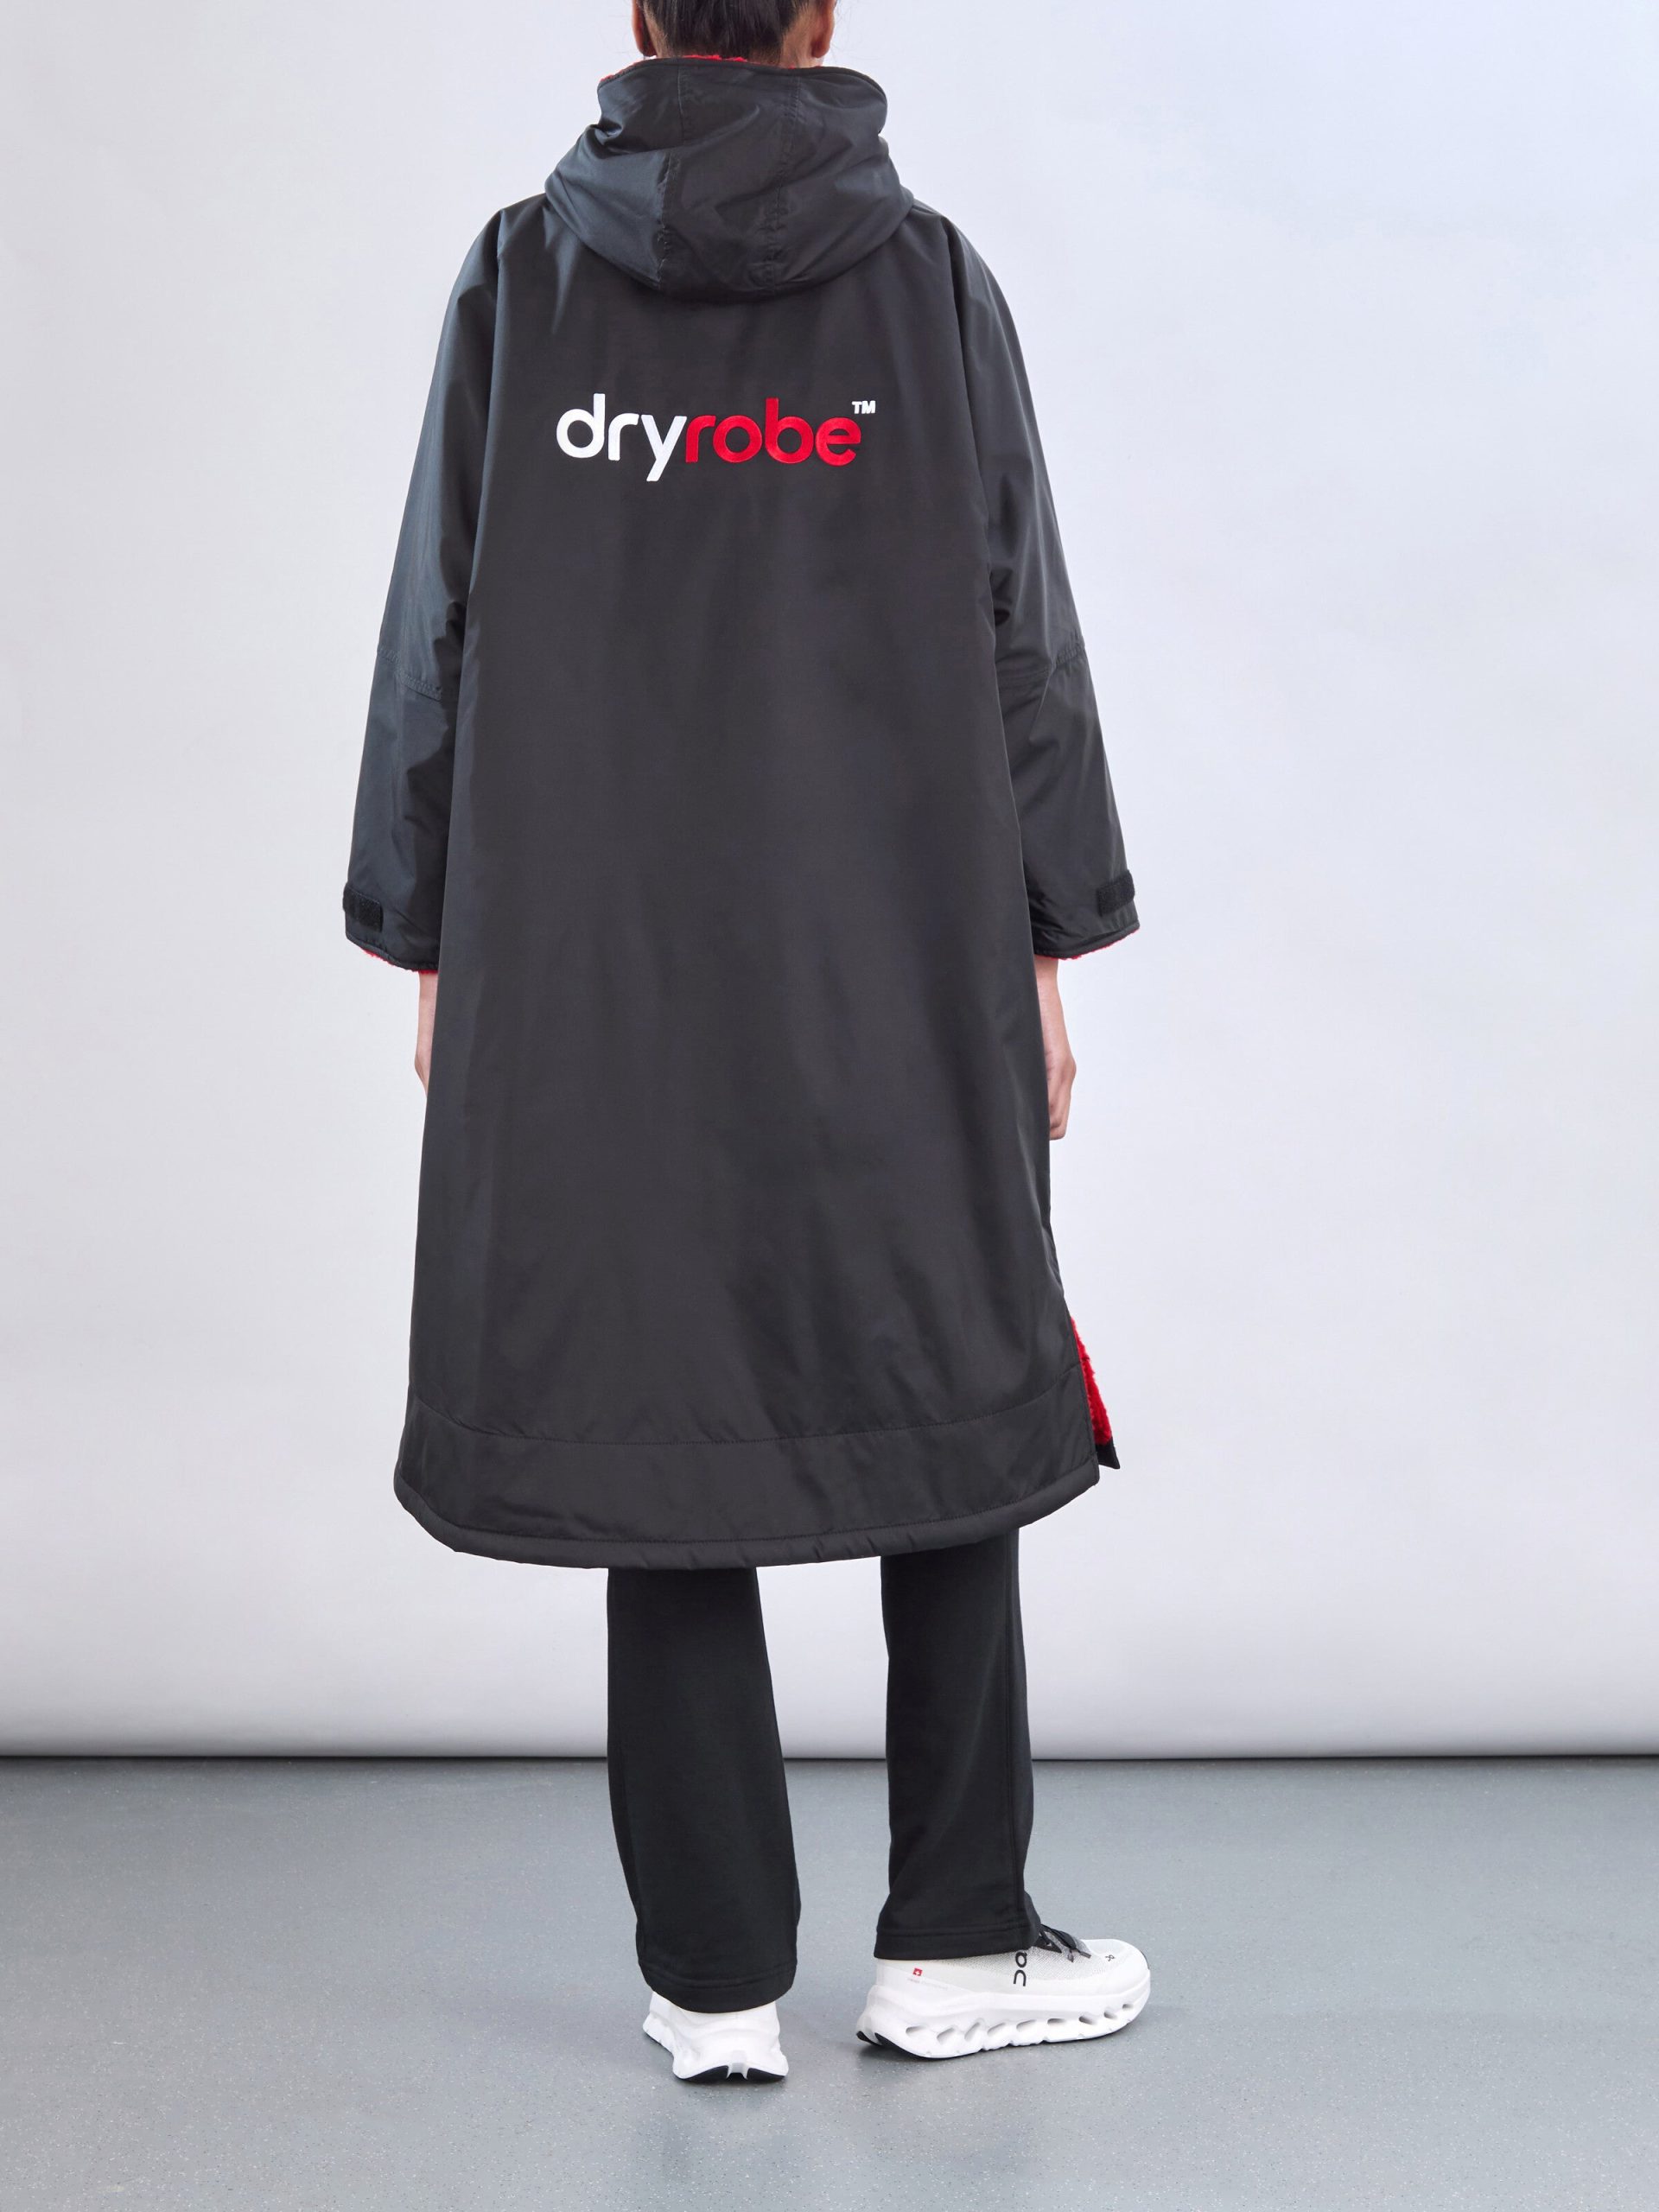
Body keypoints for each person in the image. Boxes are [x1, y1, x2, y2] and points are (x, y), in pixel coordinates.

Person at [344, 0, 1147, 2082]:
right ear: (824, 17)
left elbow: (439, 624)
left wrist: (430, 935)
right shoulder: (927, 279)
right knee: (946, 1361)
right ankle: (956, 1934)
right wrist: (1050, 935)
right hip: (901, 938)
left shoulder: (526, 275)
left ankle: (711, 1977)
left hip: (591, 961)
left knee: (660, 1384)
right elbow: (1020, 632)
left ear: (638, 15)